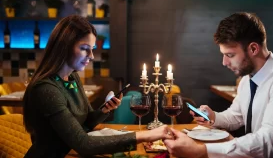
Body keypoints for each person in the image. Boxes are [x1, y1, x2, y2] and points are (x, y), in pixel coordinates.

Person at [23, 15, 173, 158]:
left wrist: (105, 109)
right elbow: (84, 144)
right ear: (64, 46)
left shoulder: (72, 77)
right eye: (84, 48)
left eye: (92, 48)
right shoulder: (45, 89)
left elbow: (85, 123)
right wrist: (146, 135)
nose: (92, 55)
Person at [164, 12, 273, 157]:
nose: (224, 62)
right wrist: (213, 116)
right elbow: (236, 116)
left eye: (230, 55)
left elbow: (271, 141)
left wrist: (202, 151)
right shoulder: (247, 79)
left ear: (253, 49)